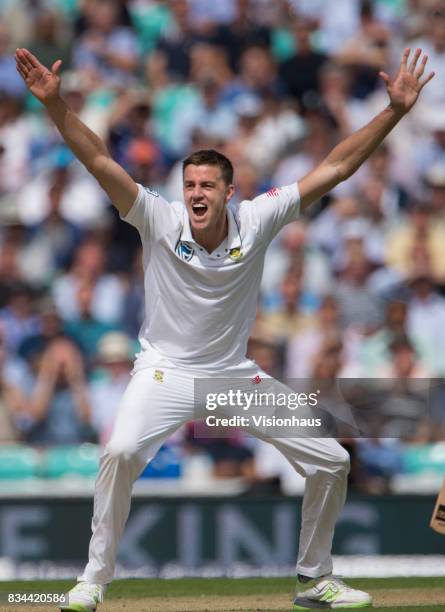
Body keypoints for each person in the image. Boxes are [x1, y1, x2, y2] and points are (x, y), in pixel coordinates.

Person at [15, 46, 434, 611]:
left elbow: (334, 167)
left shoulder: (258, 219)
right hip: (163, 371)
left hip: (233, 377)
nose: (195, 195)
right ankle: (93, 579)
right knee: (117, 451)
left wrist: (394, 113)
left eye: (207, 186)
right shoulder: (158, 218)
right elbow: (100, 163)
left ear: (229, 192)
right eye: (189, 185)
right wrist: (56, 105)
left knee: (332, 460)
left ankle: (314, 580)